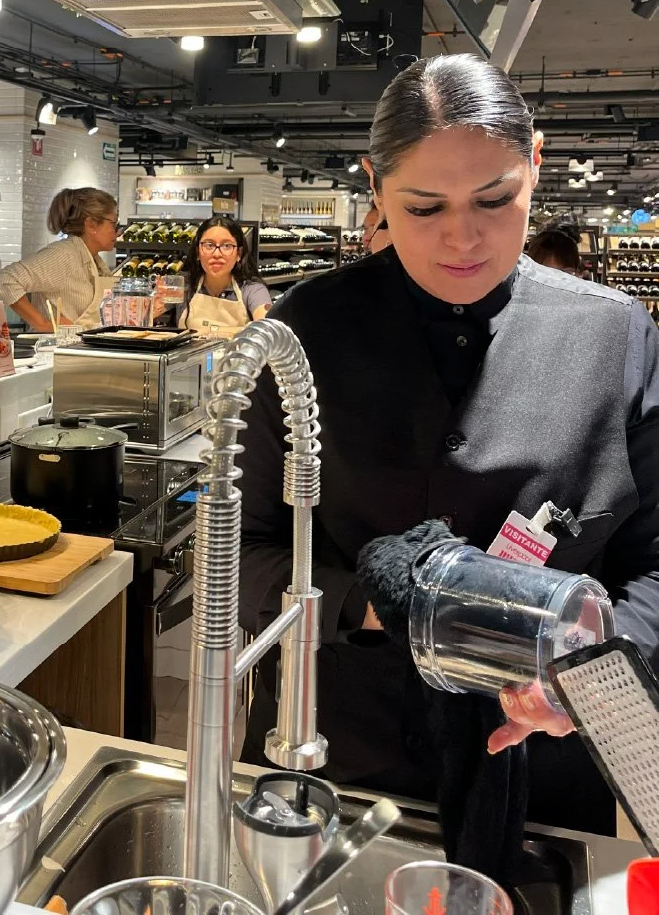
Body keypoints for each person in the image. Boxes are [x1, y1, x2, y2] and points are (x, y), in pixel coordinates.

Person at [237, 53, 659, 839]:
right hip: (337, 745)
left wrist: (585, 673)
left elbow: (655, 564)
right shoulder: (305, 331)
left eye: (496, 200)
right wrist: (388, 608)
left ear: (535, 164)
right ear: (374, 185)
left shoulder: (617, 336)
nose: (462, 239)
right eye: (423, 207)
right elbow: (242, 553)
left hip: (545, 758)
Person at [0, 188, 118, 331]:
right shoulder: (63, 255)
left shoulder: (94, 260)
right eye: (113, 223)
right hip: (54, 348)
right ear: (91, 224)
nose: (117, 231)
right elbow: (6, 279)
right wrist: (41, 323)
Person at [175, 216, 271, 337]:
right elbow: (148, 315)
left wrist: (209, 332)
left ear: (239, 254)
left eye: (227, 246)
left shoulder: (252, 290)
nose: (216, 254)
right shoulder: (183, 285)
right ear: (197, 252)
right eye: (209, 245)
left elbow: (267, 329)